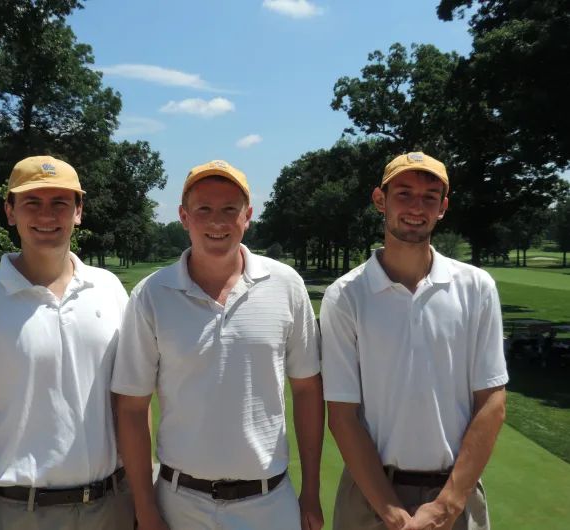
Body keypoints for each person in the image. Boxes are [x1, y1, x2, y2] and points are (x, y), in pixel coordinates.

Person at [111, 160, 325, 530]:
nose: (217, 221)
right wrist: (145, 507)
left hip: (269, 502)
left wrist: (310, 491)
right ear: (183, 216)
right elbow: (132, 407)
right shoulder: (151, 293)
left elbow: (307, 389)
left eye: (230, 209)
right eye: (204, 209)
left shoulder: (285, 284)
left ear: (248, 216)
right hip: (179, 502)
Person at [0, 156, 134, 530]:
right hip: (21, 513)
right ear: (10, 211)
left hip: (113, 506)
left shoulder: (109, 289)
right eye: (32, 203)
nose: (47, 216)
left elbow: (130, 404)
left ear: (78, 212)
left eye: (60, 203)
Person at [321, 152, 508, 530]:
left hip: (456, 494)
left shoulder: (476, 287)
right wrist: (390, 511)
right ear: (380, 200)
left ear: (443, 207)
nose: (416, 207)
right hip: (371, 495)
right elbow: (342, 416)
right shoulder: (345, 295)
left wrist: (446, 506)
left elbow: (492, 402)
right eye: (403, 193)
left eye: (429, 197)